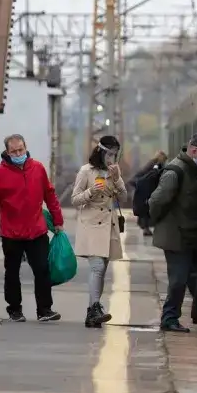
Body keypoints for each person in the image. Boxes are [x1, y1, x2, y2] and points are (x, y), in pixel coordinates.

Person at [0, 134, 64, 323]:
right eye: (14, 151)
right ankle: (15, 309)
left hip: (37, 230)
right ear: (7, 152)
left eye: (21, 150)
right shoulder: (0, 173)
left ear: (26, 148)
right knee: (12, 272)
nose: (18, 154)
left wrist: (58, 220)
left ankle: (44, 309)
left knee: (42, 269)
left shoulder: (38, 168)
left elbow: (50, 195)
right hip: (12, 233)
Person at [148, 134, 197, 333]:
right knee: (178, 279)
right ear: (195, 151)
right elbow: (156, 201)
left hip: (193, 236)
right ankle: (169, 318)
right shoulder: (175, 172)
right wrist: (163, 223)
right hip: (176, 236)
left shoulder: (192, 171)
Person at [71, 136, 124, 329]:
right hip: (91, 225)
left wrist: (117, 178)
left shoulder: (113, 171)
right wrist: (91, 191)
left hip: (108, 226)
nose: (111, 158)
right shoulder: (86, 171)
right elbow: (75, 199)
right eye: (109, 154)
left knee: (102, 270)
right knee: (97, 268)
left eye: (114, 154)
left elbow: (124, 196)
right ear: (101, 152)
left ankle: (92, 313)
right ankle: (94, 308)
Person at [131, 150, 167, 237]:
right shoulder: (155, 164)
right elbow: (152, 175)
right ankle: (146, 228)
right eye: (164, 159)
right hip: (144, 186)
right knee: (146, 208)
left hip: (143, 186)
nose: (165, 161)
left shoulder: (153, 163)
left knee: (146, 208)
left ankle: (146, 228)